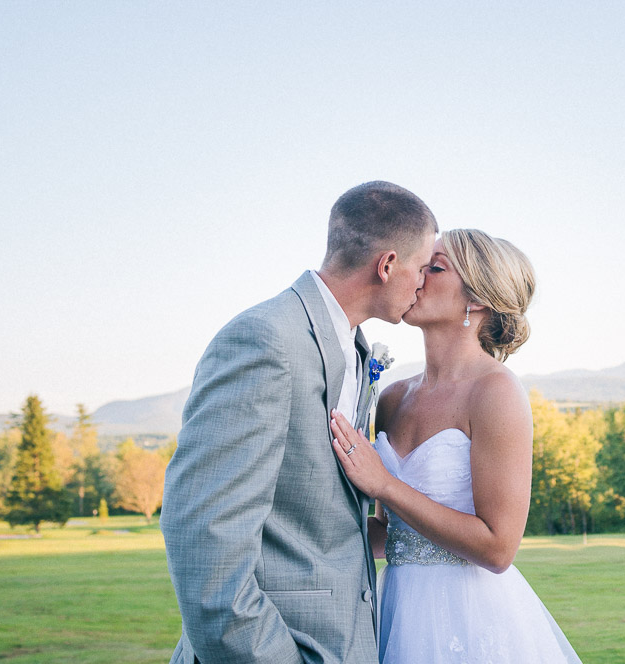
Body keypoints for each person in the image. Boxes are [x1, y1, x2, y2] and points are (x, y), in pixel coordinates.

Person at [161, 181, 437, 664]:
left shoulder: (355, 349)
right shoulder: (267, 340)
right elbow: (206, 537)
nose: (423, 283)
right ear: (387, 264)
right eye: (420, 267)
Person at [329, 229, 582, 663]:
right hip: (396, 612)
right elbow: (390, 532)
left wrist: (385, 484)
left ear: (478, 299)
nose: (416, 274)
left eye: (436, 267)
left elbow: (498, 548)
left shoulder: (496, 392)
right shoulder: (391, 397)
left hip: (470, 617)